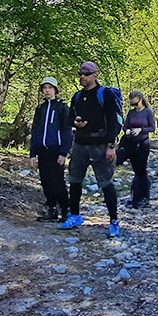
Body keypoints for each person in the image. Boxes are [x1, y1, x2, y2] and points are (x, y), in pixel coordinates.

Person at [62, 61, 122, 237]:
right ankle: (74, 215)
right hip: (80, 144)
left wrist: (111, 145)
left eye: (86, 73)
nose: (82, 76)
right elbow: (69, 116)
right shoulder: (77, 96)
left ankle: (114, 221)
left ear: (95, 75)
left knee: (106, 183)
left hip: (100, 145)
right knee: (74, 180)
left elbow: (113, 120)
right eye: (80, 73)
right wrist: (75, 122)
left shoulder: (106, 95)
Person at [29, 77, 72, 222]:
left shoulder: (62, 108)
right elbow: (35, 131)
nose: (47, 90)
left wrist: (63, 152)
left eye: (50, 87)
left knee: (57, 180)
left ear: (55, 90)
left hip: (56, 150)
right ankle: (52, 208)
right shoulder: (40, 109)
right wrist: (33, 153)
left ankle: (66, 209)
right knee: (45, 180)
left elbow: (67, 131)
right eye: (44, 88)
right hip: (42, 150)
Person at [117, 90, 155, 208]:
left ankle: (143, 197)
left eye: (136, 104)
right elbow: (126, 125)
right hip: (131, 143)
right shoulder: (131, 113)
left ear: (140, 99)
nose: (134, 106)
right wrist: (126, 130)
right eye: (132, 104)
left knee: (141, 170)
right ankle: (136, 197)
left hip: (143, 143)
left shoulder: (148, 112)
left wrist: (141, 129)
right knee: (136, 170)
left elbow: (152, 128)